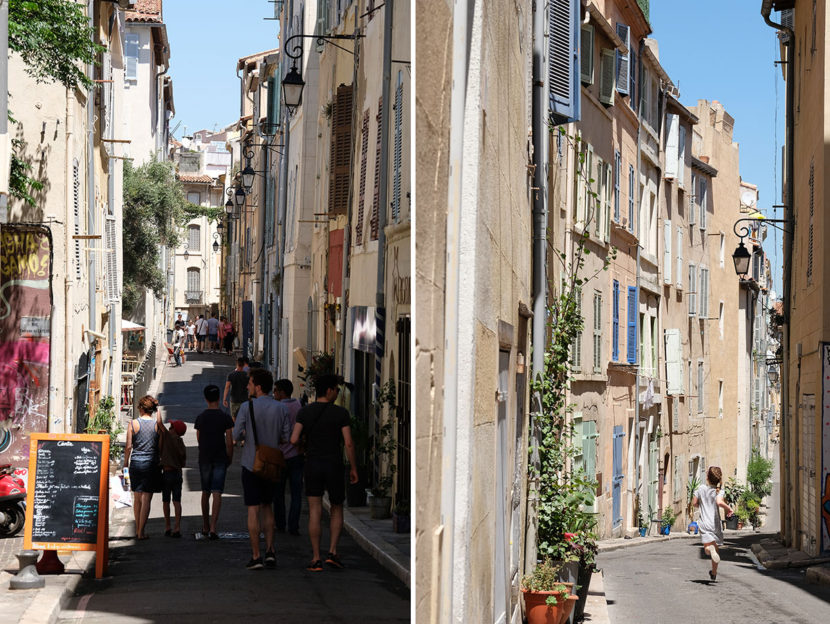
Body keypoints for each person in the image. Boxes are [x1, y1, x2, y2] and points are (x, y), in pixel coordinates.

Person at [290, 374, 358, 571]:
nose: (337, 393)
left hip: (312, 464)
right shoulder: (341, 414)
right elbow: (348, 443)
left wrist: (304, 445)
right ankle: (333, 552)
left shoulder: (305, 412)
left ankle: (316, 557)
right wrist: (353, 468)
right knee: (337, 507)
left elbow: (294, 439)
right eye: (336, 390)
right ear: (329, 391)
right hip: (334, 464)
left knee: (315, 510)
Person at [232, 368, 292, 569]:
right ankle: (270, 551)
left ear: (257, 387)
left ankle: (256, 555)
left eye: (250, 383)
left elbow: (236, 434)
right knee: (268, 507)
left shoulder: (246, 408)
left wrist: (245, 437)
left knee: (253, 508)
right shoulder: (281, 408)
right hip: (272, 464)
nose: (247, 386)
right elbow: (286, 436)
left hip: (251, 463)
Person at [194, 384, 234, 540]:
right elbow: (229, 441)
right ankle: (213, 527)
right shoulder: (225, 418)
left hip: (204, 458)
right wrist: (229, 457)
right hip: (220, 458)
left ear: (205, 399)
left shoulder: (201, 417)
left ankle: (204, 525)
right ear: (218, 398)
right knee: (217, 492)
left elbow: (198, 438)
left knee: (205, 492)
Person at [123, 395, 163, 540]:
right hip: (151, 464)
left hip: (136, 463)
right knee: (147, 499)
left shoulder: (133, 424)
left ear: (140, 408)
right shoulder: (157, 426)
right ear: (152, 410)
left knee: (137, 498)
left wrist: (125, 463)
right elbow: (160, 447)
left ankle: (137, 530)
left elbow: (128, 446)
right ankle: (141, 531)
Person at [692, 466, 735, 581]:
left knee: (708, 547)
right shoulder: (719, 491)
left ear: (707, 477)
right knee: (716, 549)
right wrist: (729, 509)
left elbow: (694, 503)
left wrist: (701, 504)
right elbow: (719, 501)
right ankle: (714, 572)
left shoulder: (701, 488)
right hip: (715, 523)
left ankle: (710, 549)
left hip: (705, 522)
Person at [273, 379, 303, 536]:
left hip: (280, 456)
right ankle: (293, 525)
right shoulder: (298, 406)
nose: (274, 393)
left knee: (278, 494)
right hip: (296, 455)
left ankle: (280, 523)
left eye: (275, 390)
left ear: (282, 392)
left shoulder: (278, 408)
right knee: (296, 493)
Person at [160, 420, 187, 538]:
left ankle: (167, 526)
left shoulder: (169, 437)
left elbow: (160, 424)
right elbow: (183, 461)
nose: (169, 428)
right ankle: (177, 527)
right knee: (177, 501)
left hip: (167, 473)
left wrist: (157, 409)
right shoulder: (181, 443)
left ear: (174, 430)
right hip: (177, 474)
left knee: (166, 501)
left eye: (171, 426)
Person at [223, 357, 250, 423]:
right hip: (244, 399)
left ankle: (235, 432)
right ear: (244, 365)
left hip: (234, 400)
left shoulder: (231, 375)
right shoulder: (247, 375)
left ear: (237, 364)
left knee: (234, 418)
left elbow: (227, 387)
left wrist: (224, 399)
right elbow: (249, 387)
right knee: (244, 419)